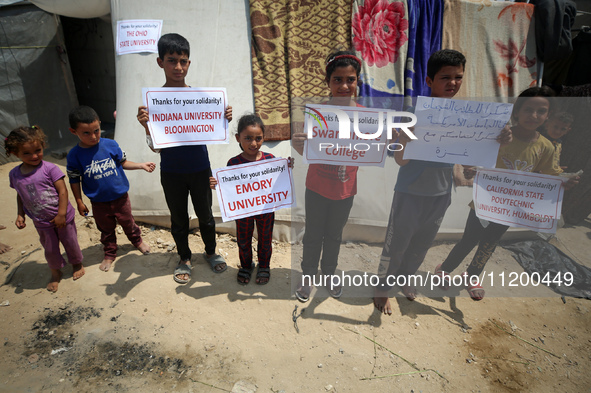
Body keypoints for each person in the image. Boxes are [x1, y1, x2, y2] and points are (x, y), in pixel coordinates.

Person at [435, 86, 579, 301]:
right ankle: (444, 269)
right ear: (517, 111)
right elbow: (476, 158)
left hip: (511, 207)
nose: (534, 116)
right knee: (469, 239)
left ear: (548, 116)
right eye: (528, 110)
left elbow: (551, 174)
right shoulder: (500, 136)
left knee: (490, 243)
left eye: (541, 111)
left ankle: (472, 275)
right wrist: (472, 166)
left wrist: (565, 180)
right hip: (485, 203)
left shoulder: (546, 147)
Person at [372, 49, 468, 314]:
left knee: (422, 243)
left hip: (441, 195)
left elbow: (462, 157)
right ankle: (382, 286)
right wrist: (405, 136)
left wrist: (495, 141)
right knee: (397, 243)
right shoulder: (412, 114)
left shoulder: (466, 116)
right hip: (410, 193)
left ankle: (405, 278)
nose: (452, 83)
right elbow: (401, 161)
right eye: (445, 77)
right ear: (428, 80)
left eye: (458, 77)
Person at [136, 33, 233, 284]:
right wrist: (148, 127)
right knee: (178, 219)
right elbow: (156, 149)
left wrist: (223, 117)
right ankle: (184, 258)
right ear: (160, 62)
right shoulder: (154, 102)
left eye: (183, 61)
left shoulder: (203, 99)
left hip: (201, 168)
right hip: (172, 171)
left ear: (189, 63)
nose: (178, 67)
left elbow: (214, 130)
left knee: (206, 216)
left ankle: (211, 252)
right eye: (172, 61)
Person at [292, 49, 362, 302]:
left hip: (345, 190)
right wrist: (300, 146)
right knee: (313, 233)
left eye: (350, 79)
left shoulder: (366, 117)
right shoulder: (317, 113)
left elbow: (370, 150)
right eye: (337, 79)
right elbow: (308, 149)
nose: (344, 85)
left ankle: (330, 272)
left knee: (334, 235)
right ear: (328, 81)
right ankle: (308, 274)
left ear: (357, 81)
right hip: (317, 187)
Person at [67, 105, 154, 272]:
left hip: (120, 197)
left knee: (128, 222)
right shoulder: (74, 155)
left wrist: (141, 165)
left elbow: (123, 163)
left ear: (100, 124)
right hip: (98, 202)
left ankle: (137, 241)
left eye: (97, 130)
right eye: (86, 133)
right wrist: (79, 201)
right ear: (73, 132)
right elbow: (74, 179)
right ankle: (109, 253)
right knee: (105, 229)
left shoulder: (111, 145)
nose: (93, 136)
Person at [210, 114, 289, 285]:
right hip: (243, 211)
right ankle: (245, 266)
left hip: (266, 209)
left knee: (265, 239)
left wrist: (286, 167)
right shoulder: (233, 163)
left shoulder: (270, 160)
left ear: (263, 138)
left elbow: (278, 180)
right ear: (238, 138)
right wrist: (218, 184)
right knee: (243, 239)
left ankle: (264, 266)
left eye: (258, 138)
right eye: (248, 138)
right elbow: (230, 187)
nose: (253, 143)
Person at [6, 126, 85, 292]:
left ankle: (77, 264)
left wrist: (61, 214)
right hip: (41, 221)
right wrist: (20, 214)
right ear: (15, 153)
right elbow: (20, 195)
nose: (34, 156)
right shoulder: (15, 174)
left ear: (43, 146)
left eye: (38, 150)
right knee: (50, 249)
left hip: (63, 217)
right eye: (27, 153)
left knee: (70, 243)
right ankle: (55, 272)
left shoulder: (50, 168)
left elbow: (63, 191)